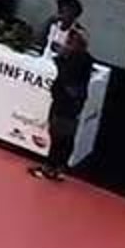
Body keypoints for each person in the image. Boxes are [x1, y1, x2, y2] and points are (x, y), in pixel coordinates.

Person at [32, 29, 94, 181]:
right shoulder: (84, 59)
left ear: (78, 44)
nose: (66, 44)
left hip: (66, 103)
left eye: (70, 42)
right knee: (64, 138)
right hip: (70, 103)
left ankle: (49, 169)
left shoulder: (76, 60)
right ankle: (59, 168)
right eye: (67, 41)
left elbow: (67, 78)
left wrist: (59, 60)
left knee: (59, 137)